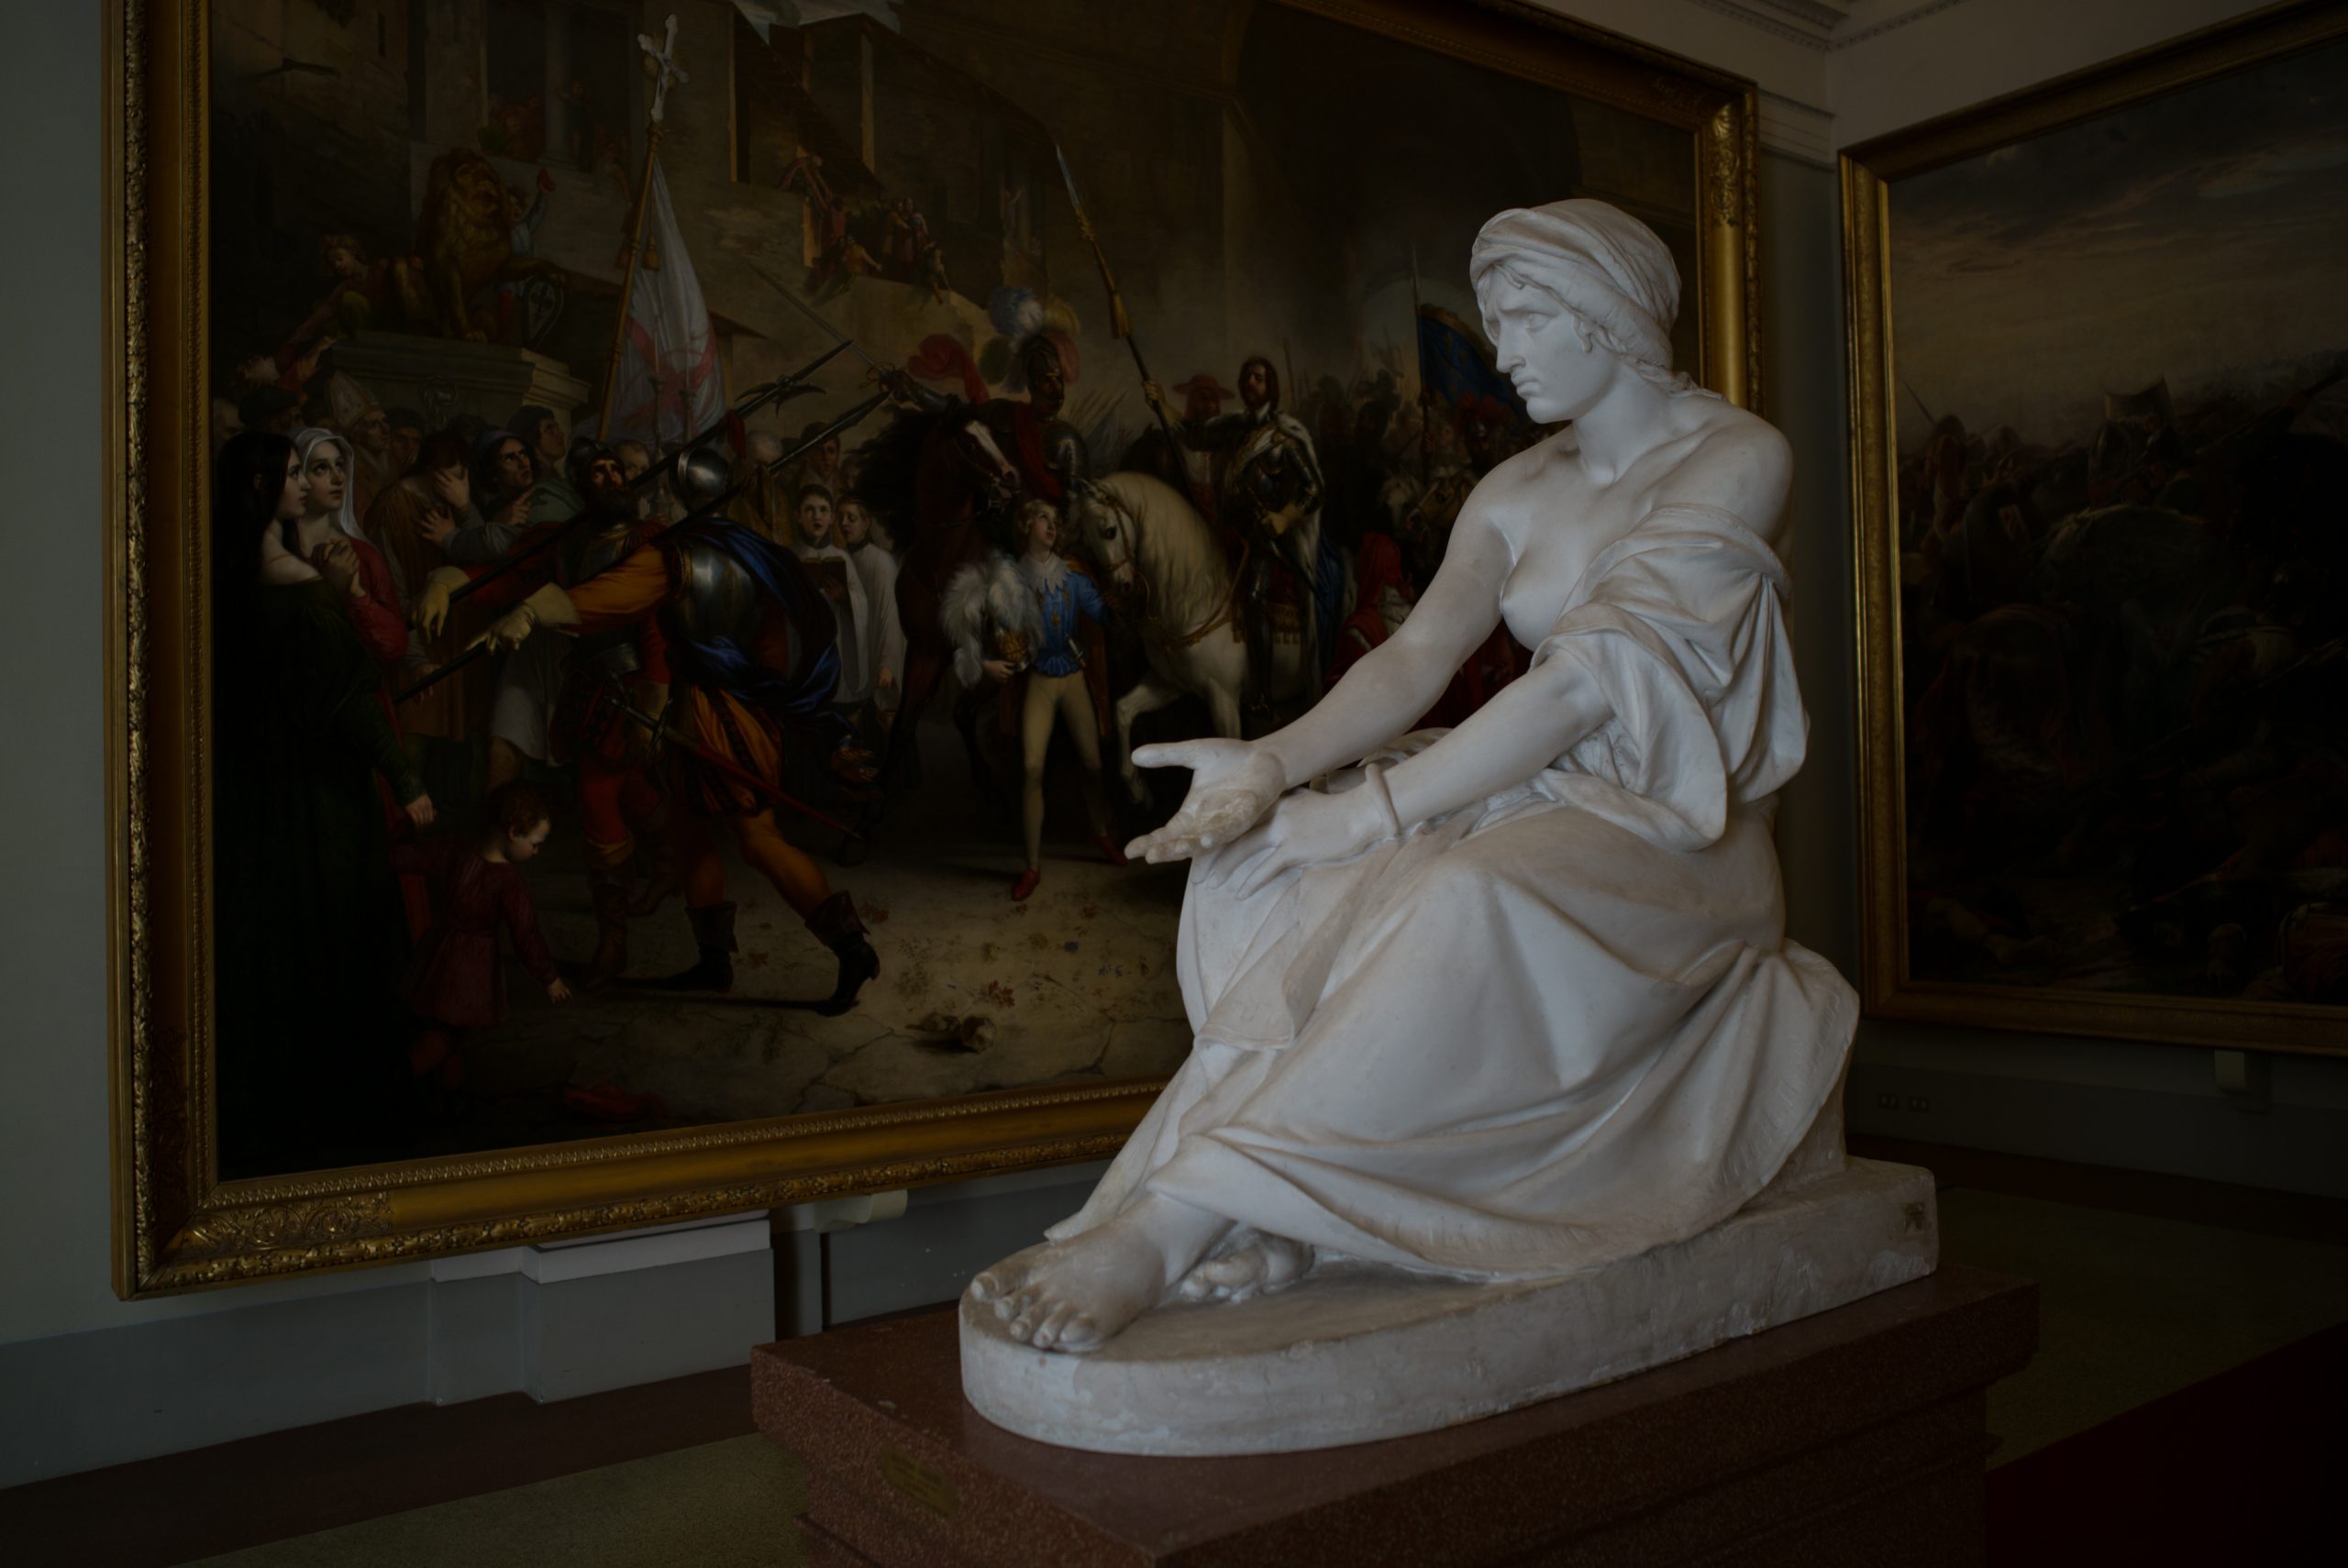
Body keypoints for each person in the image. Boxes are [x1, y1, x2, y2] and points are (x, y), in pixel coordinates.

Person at [973, 199, 1853, 1354]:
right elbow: (1418, 655)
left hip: (1673, 837)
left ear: (1608, 315)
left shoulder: (1738, 457)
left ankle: (1174, 1221)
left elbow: (1582, 689)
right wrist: (1274, 765)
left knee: (1458, 891)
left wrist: (1366, 815)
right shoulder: (1517, 488)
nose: (1505, 350)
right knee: (1266, 867)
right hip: (1534, 785)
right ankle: (1287, 1210)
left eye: (1528, 318)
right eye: (1499, 321)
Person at [455, 449, 880, 1013]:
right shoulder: (753, 551)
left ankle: (852, 949)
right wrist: (752, 697)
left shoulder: (675, 556)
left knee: (757, 840)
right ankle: (713, 960)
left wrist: (533, 613)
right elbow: (771, 642)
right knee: (687, 829)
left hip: (711, 715)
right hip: (731, 708)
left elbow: (610, 598)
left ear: (682, 498)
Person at [211, 431, 436, 1177]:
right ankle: (345, 1105)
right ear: (260, 488)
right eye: (291, 476)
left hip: (252, 791)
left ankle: (277, 1103)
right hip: (318, 792)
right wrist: (405, 779)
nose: (306, 487)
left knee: (271, 937)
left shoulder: (223, 579)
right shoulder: (298, 587)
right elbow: (349, 698)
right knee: (335, 930)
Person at [943, 498, 1122, 900]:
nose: (1052, 526)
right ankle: (1032, 865)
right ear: (1026, 527)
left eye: (1055, 519)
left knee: (1093, 763)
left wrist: (1117, 607)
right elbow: (973, 628)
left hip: (1072, 675)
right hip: (1038, 679)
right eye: (1043, 518)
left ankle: (1100, 833)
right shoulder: (1009, 581)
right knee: (1031, 768)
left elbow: (1106, 619)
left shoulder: (1073, 578)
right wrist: (985, 664)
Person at [1146, 356, 1324, 728]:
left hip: (1263, 539)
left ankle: (1261, 695)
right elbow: (1195, 435)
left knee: (1255, 598)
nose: (1251, 383)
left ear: (1271, 386)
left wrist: (1283, 517)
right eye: (1247, 377)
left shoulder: (1282, 437)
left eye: (1259, 378)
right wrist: (1162, 403)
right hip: (1230, 533)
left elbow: (1313, 489)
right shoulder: (1238, 426)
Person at [394, 781, 570, 1097]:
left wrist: (405, 828)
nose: (537, 852)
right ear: (513, 832)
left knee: (448, 1030)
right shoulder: (509, 881)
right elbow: (526, 935)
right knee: (447, 1034)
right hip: (468, 970)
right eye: (535, 843)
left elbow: (405, 858)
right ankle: (397, 1079)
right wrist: (550, 978)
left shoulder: (458, 849)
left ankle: (448, 1095)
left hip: (436, 955)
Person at [791, 484, 874, 719]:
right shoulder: (789, 556)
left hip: (836, 650)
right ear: (798, 516)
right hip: (802, 647)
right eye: (809, 510)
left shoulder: (842, 557)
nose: (817, 516)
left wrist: (845, 598)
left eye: (823, 510)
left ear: (831, 519)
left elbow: (862, 604)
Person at [837, 497, 904, 730]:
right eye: (841, 518)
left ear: (866, 524)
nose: (844, 524)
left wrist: (887, 665)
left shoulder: (881, 561)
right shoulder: (838, 558)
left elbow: (890, 616)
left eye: (851, 518)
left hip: (874, 655)